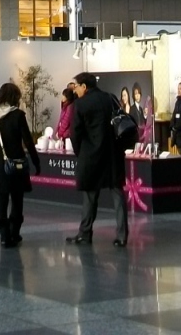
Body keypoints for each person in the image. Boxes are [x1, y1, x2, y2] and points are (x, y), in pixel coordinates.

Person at [66, 72, 128, 247]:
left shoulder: (80, 104)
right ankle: (122, 235)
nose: (75, 90)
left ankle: (85, 233)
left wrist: (80, 153)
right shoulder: (110, 98)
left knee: (89, 196)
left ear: (84, 86)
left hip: (91, 156)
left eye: (76, 86)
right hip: (113, 154)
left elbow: (75, 134)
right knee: (117, 194)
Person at [0, 82, 41, 248]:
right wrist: (36, 162)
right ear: (15, 97)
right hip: (17, 165)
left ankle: (4, 237)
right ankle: (15, 233)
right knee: (17, 199)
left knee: (1, 200)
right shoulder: (18, 115)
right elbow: (28, 141)